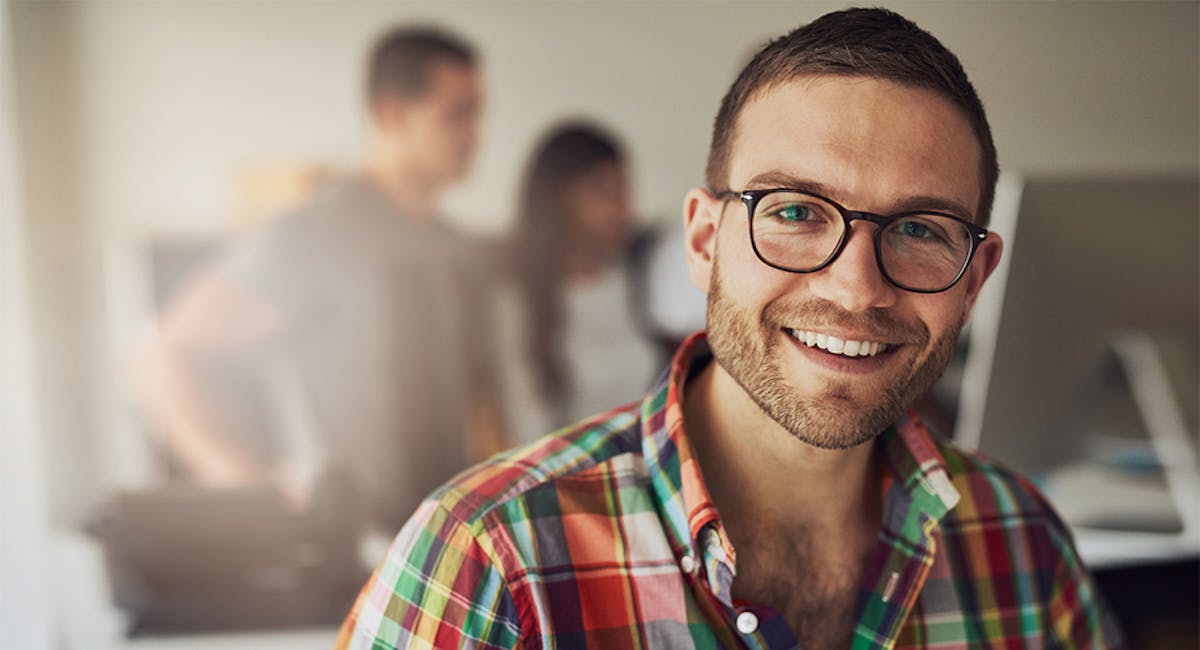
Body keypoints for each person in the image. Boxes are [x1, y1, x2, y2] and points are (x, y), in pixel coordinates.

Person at [336, 9, 1123, 649]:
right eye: (794, 212)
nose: (856, 288)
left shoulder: (1021, 544)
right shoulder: (491, 561)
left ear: (976, 277)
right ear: (704, 242)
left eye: (919, 230)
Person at [137, 26, 505, 532]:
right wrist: (251, 486)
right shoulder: (313, 236)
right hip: (346, 546)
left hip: (439, 541)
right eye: (457, 114)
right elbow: (166, 355)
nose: (475, 135)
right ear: (391, 113)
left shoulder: (455, 247)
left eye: (478, 113)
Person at [499, 122, 664, 440]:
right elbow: (525, 427)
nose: (623, 208)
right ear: (559, 201)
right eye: (603, 191)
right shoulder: (517, 303)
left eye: (624, 190)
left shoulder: (639, 280)